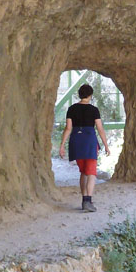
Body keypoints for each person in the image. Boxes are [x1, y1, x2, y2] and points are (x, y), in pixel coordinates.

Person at [59, 83, 111, 212]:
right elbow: (100, 129)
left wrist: (62, 145)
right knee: (92, 172)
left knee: (83, 172)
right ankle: (88, 201)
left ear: (80, 95)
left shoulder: (71, 109)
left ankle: (84, 200)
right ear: (90, 95)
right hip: (89, 141)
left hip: (76, 141)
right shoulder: (94, 110)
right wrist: (106, 145)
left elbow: (68, 128)